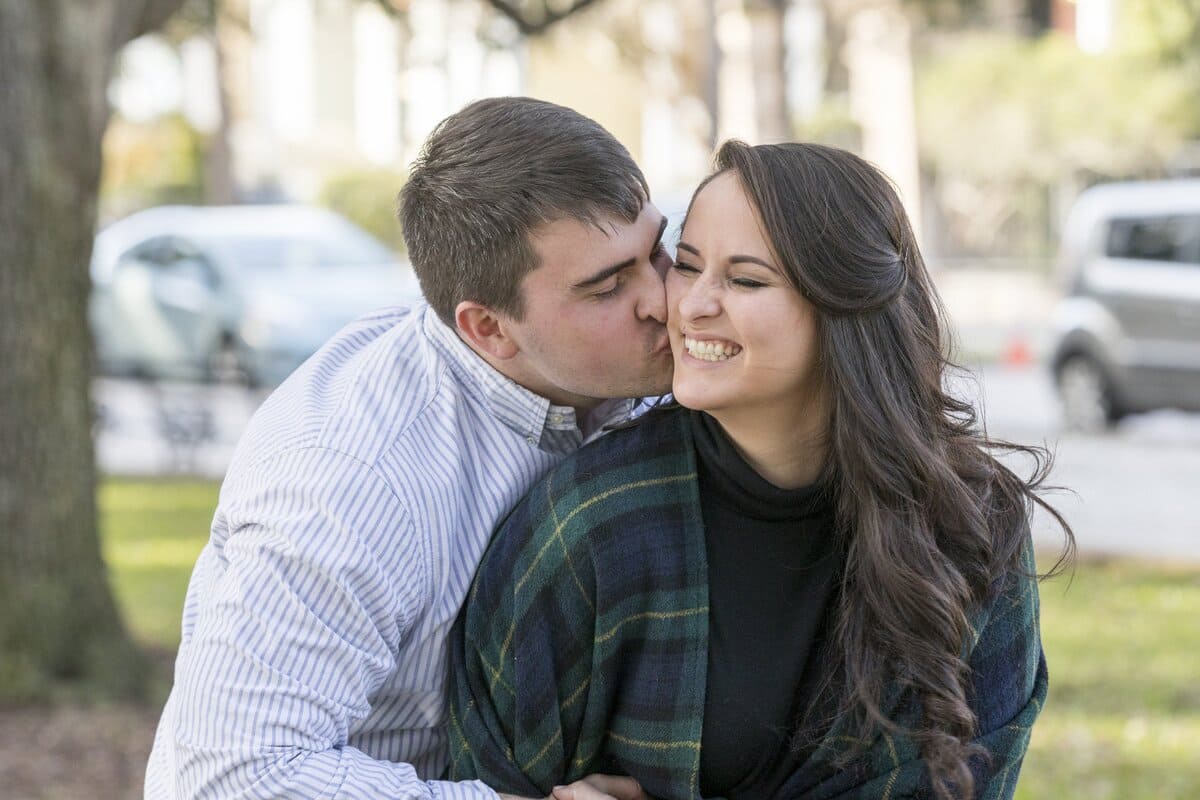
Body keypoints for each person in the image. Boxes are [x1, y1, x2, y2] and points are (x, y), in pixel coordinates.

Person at [448, 141, 1074, 800]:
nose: (690, 307)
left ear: (844, 310)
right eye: (687, 265)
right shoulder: (593, 525)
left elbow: (976, 778)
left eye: (744, 279)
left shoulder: (968, 519)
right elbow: (484, 778)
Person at [144, 97, 676, 800]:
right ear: (488, 329)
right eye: (608, 287)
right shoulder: (354, 475)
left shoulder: (641, 375)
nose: (663, 299)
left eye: (658, 251)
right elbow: (238, 775)